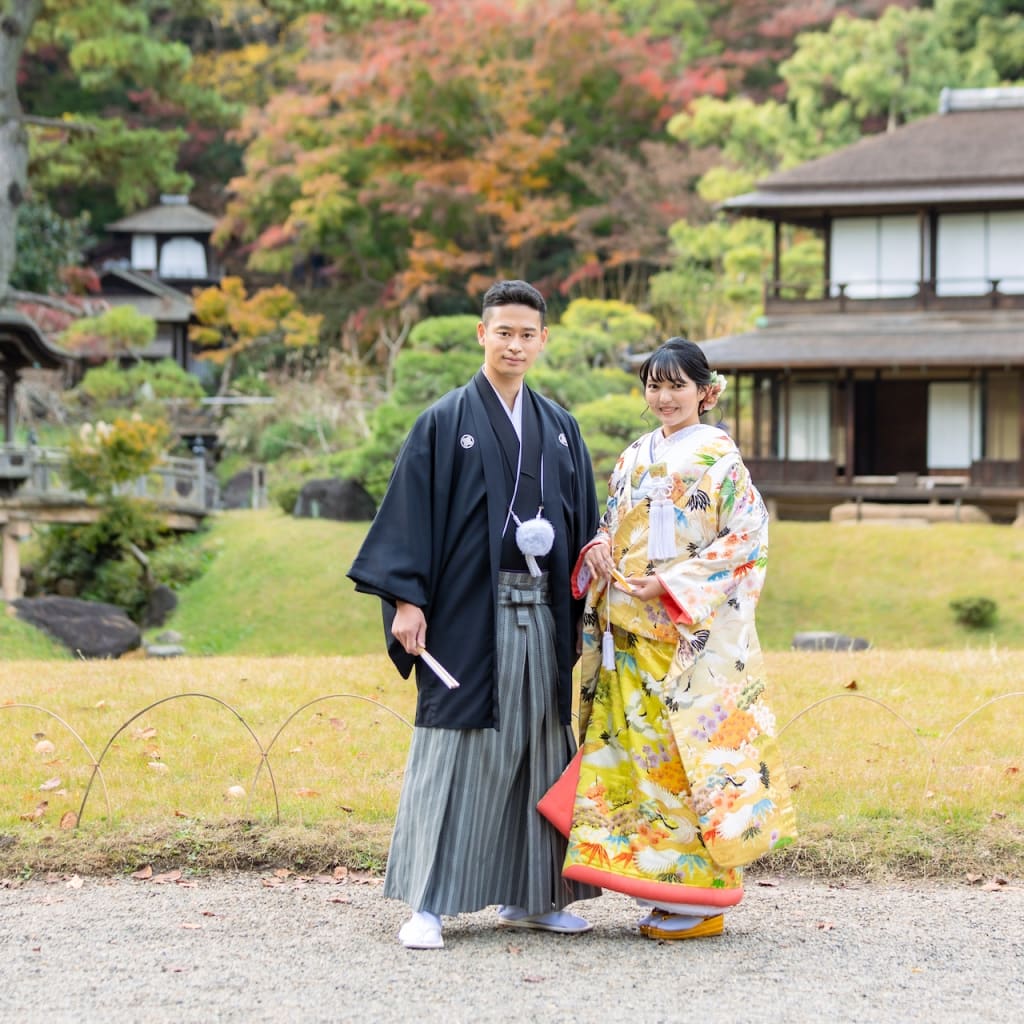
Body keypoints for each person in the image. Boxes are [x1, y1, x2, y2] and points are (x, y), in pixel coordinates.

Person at [348, 280, 601, 949]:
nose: (515, 344)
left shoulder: (561, 428)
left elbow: (585, 521)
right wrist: (407, 601)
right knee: (453, 749)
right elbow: (409, 518)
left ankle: (536, 896)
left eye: (527, 334)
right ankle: (427, 903)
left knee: (540, 748)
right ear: (481, 335)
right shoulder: (445, 420)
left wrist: (597, 554)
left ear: (543, 340)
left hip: (542, 615)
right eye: (503, 332)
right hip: (466, 617)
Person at [563, 337, 797, 940]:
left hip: (684, 636)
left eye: (677, 386)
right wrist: (599, 551)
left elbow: (747, 537)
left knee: (685, 762)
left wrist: (667, 584)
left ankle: (704, 899)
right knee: (642, 767)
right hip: (626, 630)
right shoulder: (634, 455)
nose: (664, 397)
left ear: (705, 392)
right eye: (654, 385)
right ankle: (668, 887)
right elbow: (612, 524)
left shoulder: (720, 458)